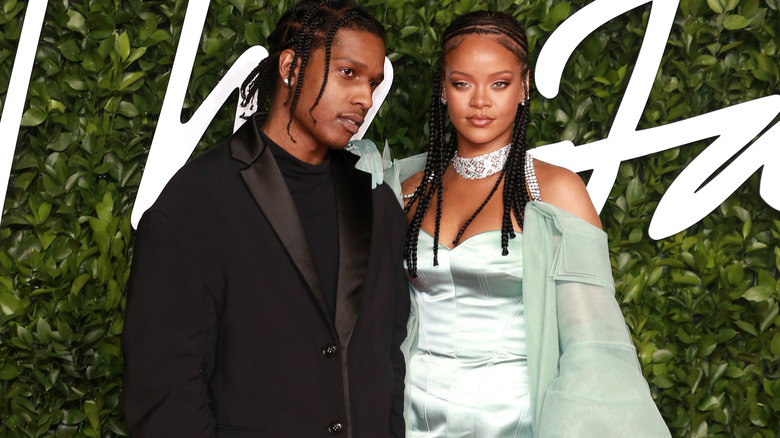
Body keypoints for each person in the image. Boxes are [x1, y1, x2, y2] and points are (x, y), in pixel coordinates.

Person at [121, 1, 409, 436]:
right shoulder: (196, 202)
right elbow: (163, 391)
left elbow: (388, 360)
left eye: (373, 82)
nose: (365, 98)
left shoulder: (377, 206)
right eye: (348, 73)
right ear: (291, 67)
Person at [383, 11, 671, 437]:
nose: (480, 101)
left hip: (517, 424)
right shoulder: (407, 190)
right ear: (443, 88)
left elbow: (591, 346)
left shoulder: (555, 192)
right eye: (462, 83)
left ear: (524, 87)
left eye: (499, 83)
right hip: (408, 418)